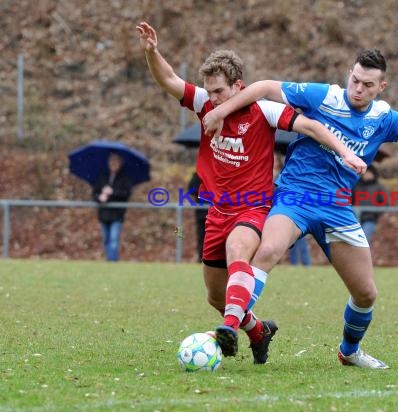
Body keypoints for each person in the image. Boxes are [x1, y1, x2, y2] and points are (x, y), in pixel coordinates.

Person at [203, 49, 398, 368]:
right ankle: (229, 328)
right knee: (267, 250)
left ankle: (349, 351)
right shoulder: (324, 96)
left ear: (381, 87)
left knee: (366, 293)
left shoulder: (383, 118)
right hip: (294, 197)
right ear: (348, 75)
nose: (357, 88)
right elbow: (264, 87)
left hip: (337, 208)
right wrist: (221, 111)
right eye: (354, 79)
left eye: (367, 84)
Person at [137, 22, 365, 364]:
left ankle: (228, 327)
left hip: (253, 208)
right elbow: (169, 80)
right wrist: (152, 53)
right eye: (208, 91)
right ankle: (257, 330)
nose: (211, 98)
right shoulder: (204, 104)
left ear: (238, 86)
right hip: (217, 211)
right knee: (216, 295)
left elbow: (311, 126)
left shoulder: (263, 110)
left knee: (237, 252)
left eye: (219, 91)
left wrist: (345, 153)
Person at [92, 153, 133, 262]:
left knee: (114, 239)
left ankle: (112, 262)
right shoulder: (103, 176)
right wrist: (100, 197)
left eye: (116, 162)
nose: (113, 165)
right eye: (111, 162)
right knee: (106, 239)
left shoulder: (124, 178)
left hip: (117, 214)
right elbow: (95, 193)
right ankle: (109, 260)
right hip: (104, 214)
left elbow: (126, 193)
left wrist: (112, 193)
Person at [352, 164, 389, 246]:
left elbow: (385, 202)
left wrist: (377, 214)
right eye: (365, 173)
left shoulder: (379, 187)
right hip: (355, 218)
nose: (367, 175)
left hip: (370, 218)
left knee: (363, 239)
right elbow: (350, 200)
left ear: (373, 174)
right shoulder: (356, 186)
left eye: (369, 173)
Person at [187, 171, 208, 262]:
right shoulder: (197, 175)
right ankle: (201, 258)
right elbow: (191, 189)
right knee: (201, 236)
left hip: (215, 213)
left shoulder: (216, 174)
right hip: (201, 213)